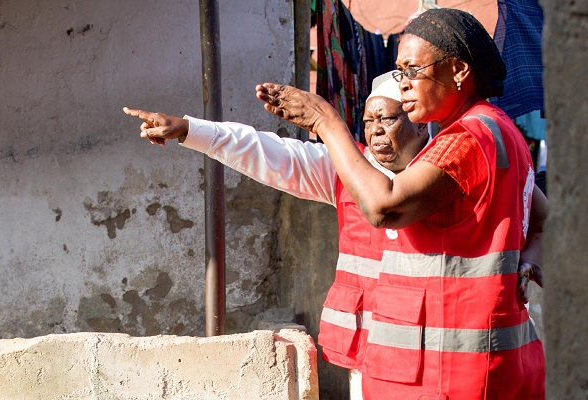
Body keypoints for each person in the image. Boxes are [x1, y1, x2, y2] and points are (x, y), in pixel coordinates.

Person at [254, 8, 547, 400]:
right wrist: (529, 258)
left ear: (459, 71)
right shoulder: (501, 130)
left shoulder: (466, 138)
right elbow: (547, 219)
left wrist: (326, 122)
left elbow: (383, 206)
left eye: (412, 70)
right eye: (398, 72)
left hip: (449, 375)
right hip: (491, 366)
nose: (402, 84)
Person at [124, 74, 429, 399]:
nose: (375, 130)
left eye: (388, 119)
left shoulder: (442, 173)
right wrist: (188, 129)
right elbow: (268, 152)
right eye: (369, 120)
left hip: (427, 350)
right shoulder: (348, 168)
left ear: (422, 124)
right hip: (368, 356)